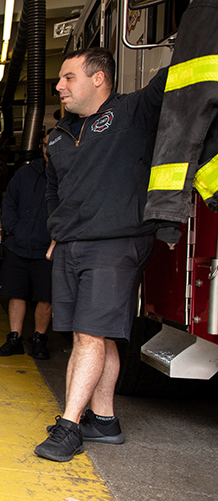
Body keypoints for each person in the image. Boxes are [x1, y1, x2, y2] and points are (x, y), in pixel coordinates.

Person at [34, 47, 167, 462]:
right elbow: (55, 190)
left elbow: (174, 80)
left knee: (89, 335)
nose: (59, 86)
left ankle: (70, 425)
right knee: (92, 334)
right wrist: (58, 231)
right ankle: (104, 421)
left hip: (115, 242)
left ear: (99, 79)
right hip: (72, 244)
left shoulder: (132, 112)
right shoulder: (58, 136)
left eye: (69, 77)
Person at [0, 141, 53, 360]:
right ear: (41, 147)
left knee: (45, 298)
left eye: (54, 144)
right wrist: (15, 230)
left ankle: (39, 340)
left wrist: (54, 238)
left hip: (47, 249)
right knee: (16, 294)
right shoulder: (25, 173)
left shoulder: (68, 173)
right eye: (46, 144)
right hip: (18, 247)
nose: (50, 149)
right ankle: (14, 339)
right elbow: (8, 203)